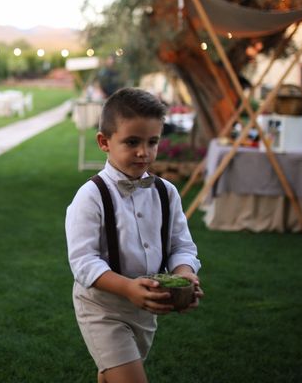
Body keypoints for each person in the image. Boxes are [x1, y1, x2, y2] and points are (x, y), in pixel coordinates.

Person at [65, 88, 203, 383]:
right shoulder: (90, 196)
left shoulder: (167, 193)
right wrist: (127, 288)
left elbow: (182, 245)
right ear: (104, 142)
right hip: (102, 307)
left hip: (146, 308)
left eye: (152, 142)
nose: (144, 152)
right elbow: (84, 262)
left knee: (112, 375)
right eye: (132, 142)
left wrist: (185, 275)